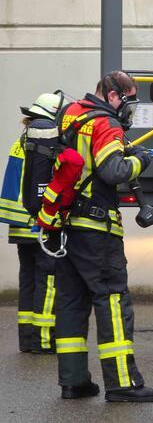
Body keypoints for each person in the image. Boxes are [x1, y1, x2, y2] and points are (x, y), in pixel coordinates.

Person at [54, 71, 153, 402]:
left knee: (71, 303)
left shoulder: (71, 114)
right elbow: (113, 171)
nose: (129, 109)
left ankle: (73, 382)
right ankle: (123, 384)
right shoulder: (106, 124)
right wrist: (139, 160)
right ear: (113, 96)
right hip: (97, 229)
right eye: (128, 100)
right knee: (112, 300)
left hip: (66, 225)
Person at [0, 93, 63, 354]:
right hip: (34, 219)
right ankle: (44, 339)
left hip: (17, 220)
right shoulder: (44, 132)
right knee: (47, 278)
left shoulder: (26, 134)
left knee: (28, 277)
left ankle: (27, 339)